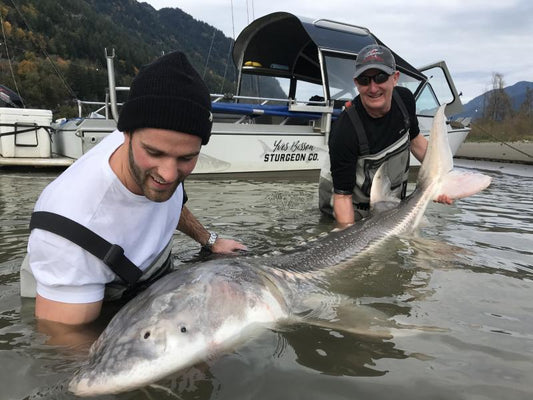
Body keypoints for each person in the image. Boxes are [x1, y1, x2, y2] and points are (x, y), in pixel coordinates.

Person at [20, 51, 246, 328]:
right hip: (80, 298)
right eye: (154, 152)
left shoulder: (162, 154)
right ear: (125, 134)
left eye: (186, 158)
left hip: (147, 276)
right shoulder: (70, 232)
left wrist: (209, 240)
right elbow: (65, 344)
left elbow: (171, 203)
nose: (168, 173)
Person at [319, 44, 451, 226]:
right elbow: (342, 197)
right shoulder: (344, 130)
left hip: (384, 203)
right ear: (356, 83)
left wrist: (442, 181)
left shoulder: (405, 101)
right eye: (365, 80)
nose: (373, 88)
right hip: (351, 206)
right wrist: (346, 235)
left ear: (395, 78)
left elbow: (417, 143)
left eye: (380, 77)